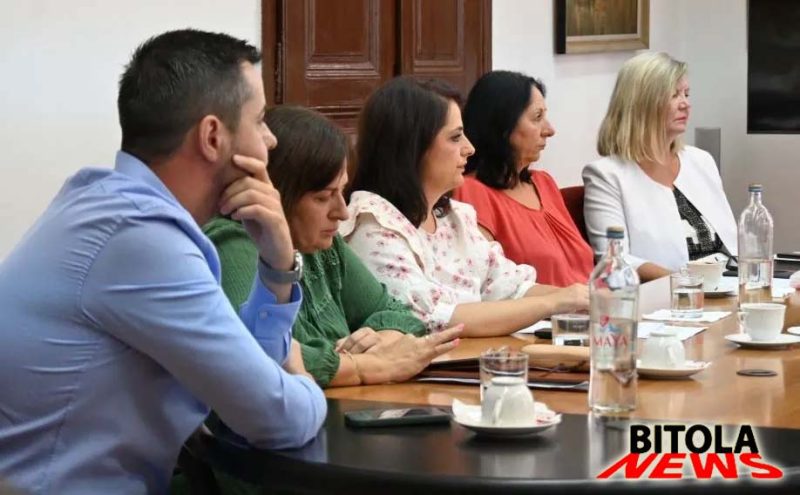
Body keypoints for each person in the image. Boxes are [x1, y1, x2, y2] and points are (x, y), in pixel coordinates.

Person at [0, 29, 326, 494]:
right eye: (259, 121)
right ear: (212, 136)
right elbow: (275, 418)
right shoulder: (141, 239)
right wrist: (309, 385)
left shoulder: (104, 205)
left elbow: (243, 388)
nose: (270, 140)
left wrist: (277, 268)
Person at [205, 106, 462, 388]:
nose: (342, 212)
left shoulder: (323, 246)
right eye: (323, 197)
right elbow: (264, 356)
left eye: (341, 192)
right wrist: (366, 367)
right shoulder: (234, 244)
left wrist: (383, 339)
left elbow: (399, 314)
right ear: (279, 194)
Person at [341, 77, 588, 337]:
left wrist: (584, 299)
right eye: (455, 137)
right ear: (413, 146)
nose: (469, 149)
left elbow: (510, 286)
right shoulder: (373, 225)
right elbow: (433, 319)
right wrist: (554, 303)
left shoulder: (454, 216)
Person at [583, 52, 737, 281]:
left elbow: (731, 245)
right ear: (641, 103)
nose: (685, 104)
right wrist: (686, 284)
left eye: (686, 94)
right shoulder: (606, 175)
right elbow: (615, 259)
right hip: (669, 294)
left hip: (728, 284)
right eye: (674, 95)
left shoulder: (701, 161)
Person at [454, 70, 594, 286]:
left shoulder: (544, 182)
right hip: (543, 308)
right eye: (537, 118)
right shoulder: (471, 191)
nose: (550, 130)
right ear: (502, 125)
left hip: (591, 302)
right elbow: (488, 285)